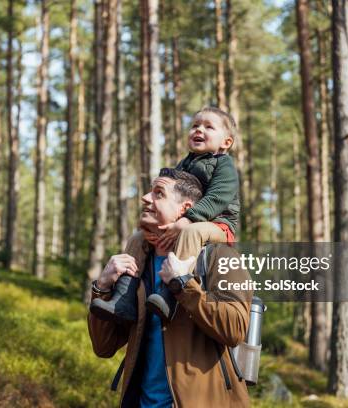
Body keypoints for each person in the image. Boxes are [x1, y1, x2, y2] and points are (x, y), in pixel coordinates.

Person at [88, 168, 251, 407]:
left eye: (158, 193)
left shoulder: (220, 256)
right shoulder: (137, 263)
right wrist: (102, 287)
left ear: (184, 209)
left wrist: (184, 284)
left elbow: (235, 328)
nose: (145, 198)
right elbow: (104, 347)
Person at [91, 106, 241, 323]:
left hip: (219, 224)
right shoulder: (184, 164)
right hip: (189, 220)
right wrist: (157, 228)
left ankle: (169, 296)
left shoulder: (224, 165)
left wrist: (188, 218)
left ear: (226, 142)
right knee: (137, 238)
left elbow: (219, 197)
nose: (199, 130)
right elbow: (174, 199)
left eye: (208, 127)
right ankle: (124, 298)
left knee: (192, 232)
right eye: (195, 126)